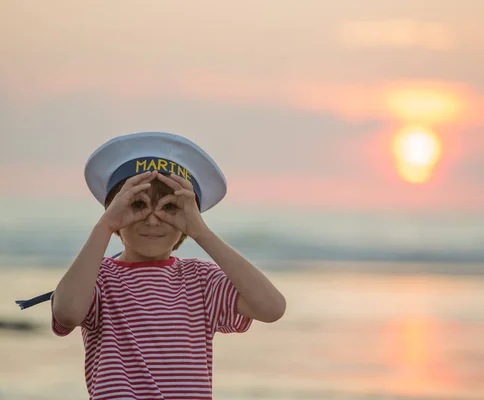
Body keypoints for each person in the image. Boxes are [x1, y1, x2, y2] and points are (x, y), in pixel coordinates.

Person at [16, 131, 286, 400]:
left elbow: (272, 307)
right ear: (116, 212)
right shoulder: (98, 278)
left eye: (170, 209)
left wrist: (201, 232)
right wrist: (105, 226)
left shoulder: (200, 280)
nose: (153, 221)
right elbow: (67, 313)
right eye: (137, 205)